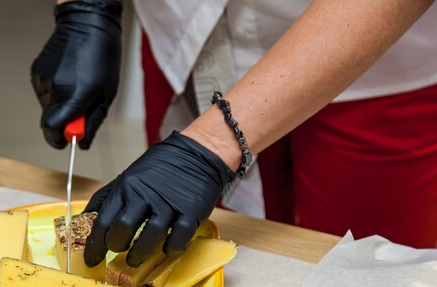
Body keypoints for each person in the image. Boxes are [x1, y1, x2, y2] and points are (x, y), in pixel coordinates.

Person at [30, 0, 437, 268]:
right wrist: (87, 8)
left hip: (370, 55)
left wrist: (208, 146)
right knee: (185, 265)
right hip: (189, 36)